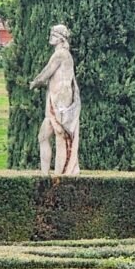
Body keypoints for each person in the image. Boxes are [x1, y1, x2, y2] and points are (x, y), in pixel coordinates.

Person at [30, 25, 81, 176]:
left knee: (61, 137)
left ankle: (61, 176)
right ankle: (45, 176)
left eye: (53, 34)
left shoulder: (61, 54)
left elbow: (47, 72)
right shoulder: (61, 54)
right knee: (43, 136)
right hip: (54, 99)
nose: (50, 37)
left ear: (60, 38)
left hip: (61, 101)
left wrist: (35, 82)